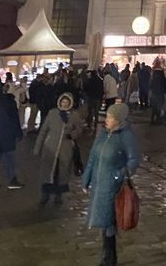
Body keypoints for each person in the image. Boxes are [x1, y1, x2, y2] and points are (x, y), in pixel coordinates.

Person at [82, 103, 140, 266]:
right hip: (98, 184)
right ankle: (109, 255)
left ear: (118, 120)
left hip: (113, 186)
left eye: (109, 117)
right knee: (103, 220)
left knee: (108, 221)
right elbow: (92, 158)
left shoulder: (126, 136)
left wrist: (118, 175)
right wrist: (86, 179)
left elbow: (134, 160)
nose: (106, 119)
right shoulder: (102, 135)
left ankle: (107, 258)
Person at [35, 91, 82, 206]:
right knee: (48, 173)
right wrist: (38, 147)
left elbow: (79, 127)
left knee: (62, 173)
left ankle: (58, 195)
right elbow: (43, 130)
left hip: (65, 149)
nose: (64, 104)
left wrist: (72, 135)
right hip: (50, 147)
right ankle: (45, 195)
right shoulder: (52, 113)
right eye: (63, 102)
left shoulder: (74, 115)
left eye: (67, 102)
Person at [0, 87, 23, 190]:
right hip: (8, 135)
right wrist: (18, 134)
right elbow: (14, 120)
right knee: (9, 159)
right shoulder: (11, 103)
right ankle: (11, 180)